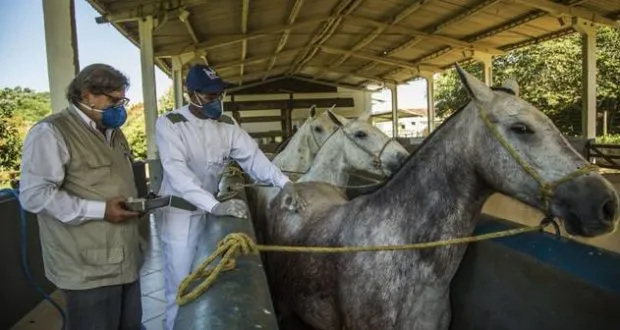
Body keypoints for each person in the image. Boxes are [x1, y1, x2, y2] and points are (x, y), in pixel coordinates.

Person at [155, 64, 303, 329]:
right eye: (210, 96)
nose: (217, 102)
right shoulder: (170, 124)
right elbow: (176, 172)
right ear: (190, 93)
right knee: (180, 285)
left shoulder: (227, 124)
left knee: (204, 276)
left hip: (210, 209)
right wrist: (214, 206)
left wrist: (284, 182)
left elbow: (253, 158)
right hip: (181, 214)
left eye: (219, 95)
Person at [19, 64, 144, 330]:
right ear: (86, 95)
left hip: (125, 257)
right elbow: (34, 196)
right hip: (87, 267)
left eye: (123, 100)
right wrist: (101, 210)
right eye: (113, 100)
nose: (120, 107)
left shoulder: (113, 133)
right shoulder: (51, 132)